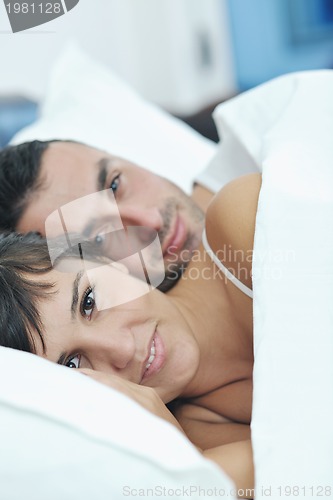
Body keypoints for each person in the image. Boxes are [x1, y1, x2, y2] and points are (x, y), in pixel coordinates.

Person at [0, 171, 260, 469]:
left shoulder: (240, 227)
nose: (122, 349)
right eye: (72, 364)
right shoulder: (197, 442)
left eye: (89, 302)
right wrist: (186, 460)